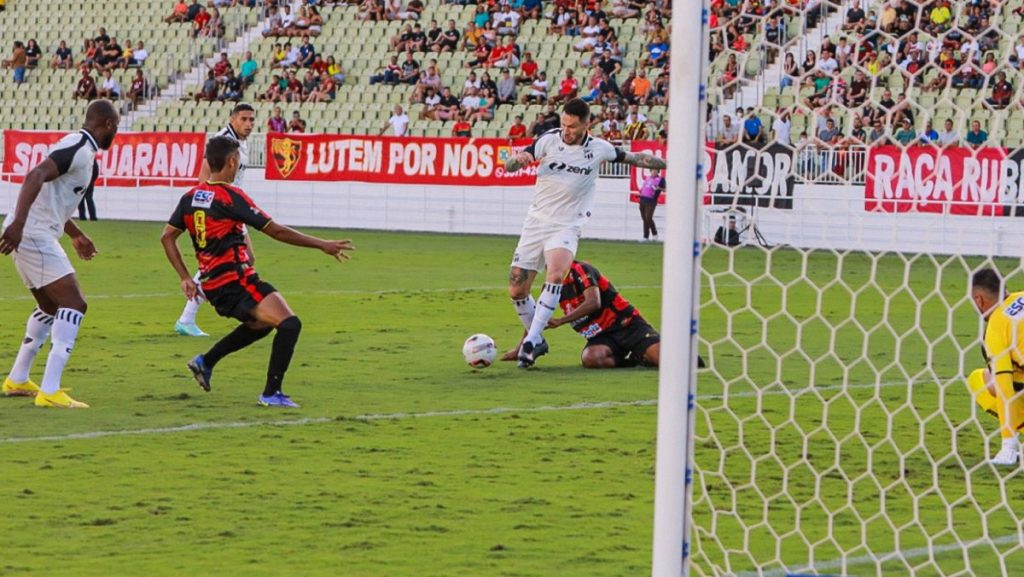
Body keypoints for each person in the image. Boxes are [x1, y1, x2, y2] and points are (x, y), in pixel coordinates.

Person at [161, 136, 354, 407]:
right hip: (235, 281)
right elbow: (275, 230)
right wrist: (322, 244)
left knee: (261, 324)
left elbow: (167, 237)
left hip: (214, 285)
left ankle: (206, 362)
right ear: (232, 162)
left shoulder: (190, 198)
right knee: (290, 324)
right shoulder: (231, 196)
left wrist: (184, 277)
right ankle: (271, 393)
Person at [501, 98, 666, 368]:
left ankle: (530, 342)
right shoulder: (549, 140)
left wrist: (668, 164)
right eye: (564, 124)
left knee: (556, 274)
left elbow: (635, 158)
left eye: (572, 126)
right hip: (536, 222)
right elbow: (520, 159)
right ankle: (537, 339)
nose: (566, 131)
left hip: (566, 225)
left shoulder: (599, 148)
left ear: (587, 124)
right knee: (517, 288)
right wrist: (517, 161)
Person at [0, 100, 119, 407]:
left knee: (50, 306)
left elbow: (53, 199)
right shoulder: (77, 147)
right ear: (107, 124)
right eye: (116, 127)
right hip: (33, 233)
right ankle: (50, 390)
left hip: (34, 231)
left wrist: (75, 233)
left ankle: (17, 379)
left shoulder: (85, 154)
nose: (116, 133)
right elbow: (35, 176)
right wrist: (18, 225)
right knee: (74, 303)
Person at [174, 103, 257, 338]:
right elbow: (203, 176)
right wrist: (212, 209)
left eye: (252, 120)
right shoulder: (222, 141)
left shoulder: (241, 143)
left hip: (231, 208)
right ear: (232, 119)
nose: (248, 124)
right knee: (225, 262)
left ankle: (190, 316)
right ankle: (190, 316)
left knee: (246, 258)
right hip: (220, 210)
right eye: (244, 119)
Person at [541, 260, 664, 369]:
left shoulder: (580, 269)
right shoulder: (550, 286)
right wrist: (530, 341)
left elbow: (593, 302)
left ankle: (646, 350)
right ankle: (635, 360)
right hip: (601, 335)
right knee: (591, 358)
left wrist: (561, 321)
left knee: (663, 360)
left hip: (625, 324)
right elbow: (539, 315)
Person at [966, 268, 1024, 466]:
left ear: (979, 300)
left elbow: (1004, 387)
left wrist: (1008, 445)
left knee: (980, 381)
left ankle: (1011, 445)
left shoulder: (996, 327)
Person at [637, 169, 663, 242]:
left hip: (651, 200)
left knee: (648, 217)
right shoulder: (647, 178)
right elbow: (644, 187)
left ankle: (648, 235)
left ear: (658, 172)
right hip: (643, 199)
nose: (654, 172)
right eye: (652, 170)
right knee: (644, 218)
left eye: (656, 171)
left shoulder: (661, 179)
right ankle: (650, 235)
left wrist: (659, 188)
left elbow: (666, 189)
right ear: (650, 171)